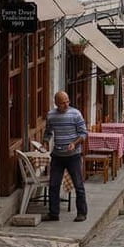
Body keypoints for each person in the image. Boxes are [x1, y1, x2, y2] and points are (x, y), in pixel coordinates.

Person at [42, 91, 88, 222]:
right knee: (54, 185)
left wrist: (74, 143)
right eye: (62, 103)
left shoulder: (76, 114)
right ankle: (53, 213)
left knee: (78, 185)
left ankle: (82, 213)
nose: (66, 104)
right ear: (56, 103)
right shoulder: (51, 115)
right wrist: (45, 142)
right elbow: (48, 132)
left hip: (73, 156)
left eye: (67, 101)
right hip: (57, 155)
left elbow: (84, 133)